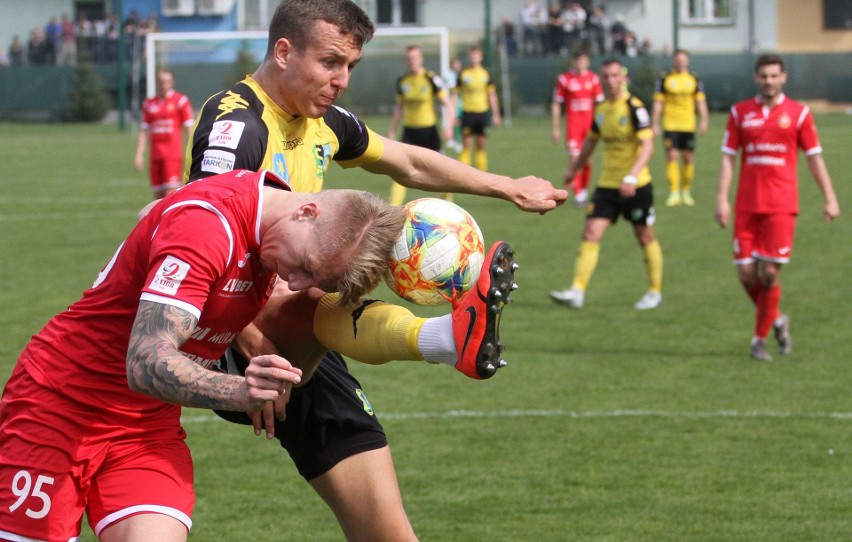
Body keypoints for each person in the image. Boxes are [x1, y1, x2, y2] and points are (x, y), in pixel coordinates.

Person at [183, 1, 567, 540]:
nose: (341, 80)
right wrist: (250, 342)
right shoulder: (237, 126)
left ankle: (446, 339)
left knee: (386, 532)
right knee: (335, 279)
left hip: (305, 321)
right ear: (284, 51)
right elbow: (200, 242)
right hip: (233, 334)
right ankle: (444, 338)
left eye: (351, 67)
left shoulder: (321, 121)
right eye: (331, 62)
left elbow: (408, 161)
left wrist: (508, 187)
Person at [0, 168, 405, 541]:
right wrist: (238, 391)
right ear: (307, 212)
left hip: (145, 430)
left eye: (314, 279)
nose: (294, 282)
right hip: (58, 409)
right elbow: (144, 361)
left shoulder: (271, 219)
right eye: (305, 266)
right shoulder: (208, 225)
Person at [714, 54, 840, 361]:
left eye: (774, 76)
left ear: (783, 78)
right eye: (764, 76)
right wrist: (721, 197)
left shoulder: (799, 114)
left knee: (769, 273)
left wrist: (830, 197)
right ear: (756, 78)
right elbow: (729, 157)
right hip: (747, 205)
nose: (769, 81)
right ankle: (777, 318)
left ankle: (759, 339)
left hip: (781, 205)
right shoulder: (740, 112)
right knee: (745, 273)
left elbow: (814, 157)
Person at [550, 57, 663, 310]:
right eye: (606, 77)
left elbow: (647, 147)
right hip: (608, 186)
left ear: (624, 78)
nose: (611, 81)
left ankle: (654, 291)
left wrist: (632, 175)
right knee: (591, 232)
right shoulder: (600, 110)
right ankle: (577, 291)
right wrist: (573, 170)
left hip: (637, 185)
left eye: (615, 76)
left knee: (644, 236)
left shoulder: (635, 108)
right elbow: (590, 143)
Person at [387, 45, 453, 206]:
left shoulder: (431, 78)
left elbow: (448, 104)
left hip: (429, 131)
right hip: (409, 132)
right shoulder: (403, 81)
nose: (412, 61)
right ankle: (392, 210)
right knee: (399, 171)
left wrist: (449, 126)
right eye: (409, 58)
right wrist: (392, 129)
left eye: (415, 57)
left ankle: (448, 204)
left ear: (421, 59)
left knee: (441, 170)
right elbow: (399, 108)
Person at [651, 49, 709, 207]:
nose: (680, 62)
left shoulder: (694, 78)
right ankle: (674, 192)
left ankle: (686, 191)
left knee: (688, 157)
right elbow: (658, 103)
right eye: (677, 59)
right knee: (672, 156)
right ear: (673, 61)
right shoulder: (665, 78)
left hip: (688, 125)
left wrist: (704, 119)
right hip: (670, 124)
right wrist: (654, 123)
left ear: (687, 61)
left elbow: (700, 101)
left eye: (683, 59)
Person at [551, 50, 603, 206]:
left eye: (583, 60)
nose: (580, 63)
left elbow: (601, 104)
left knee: (588, 161)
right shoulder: (565, 79)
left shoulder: (593, 79)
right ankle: (578, 194)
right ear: (573, 61)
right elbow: (556, 104)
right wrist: (555, 128)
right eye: (577, 60)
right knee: (575, 160)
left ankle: (584, 191)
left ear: (588, 62)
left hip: (589, 127)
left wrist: (602, 125)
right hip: (573, 126)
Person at [135, 69, 194, 200]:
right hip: (155, 155)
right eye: (161, 82)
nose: (164, 85)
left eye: (166, 81)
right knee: (157, 197)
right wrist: (139, 154)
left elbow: (188, 129)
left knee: (169, 195)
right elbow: (144, 131)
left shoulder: (180, 101)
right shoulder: (149, 103)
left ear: (172, 82)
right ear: (157, 83)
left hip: (172, 155)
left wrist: (193, 151)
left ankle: (167, 220)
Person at [452, 45, 502, 171]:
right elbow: (454, 94)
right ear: (469, 57)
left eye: (477, 55)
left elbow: (492, 95)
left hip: (482, 113)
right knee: (466, 145)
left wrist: (496, 114)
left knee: (481, 145)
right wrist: (453, 115)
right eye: (472, 55)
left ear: (481, 57)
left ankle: (482, 174)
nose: (474, 57)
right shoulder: (463, 73)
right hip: (468, 113)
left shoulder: (485, 74)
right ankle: (461, 175)